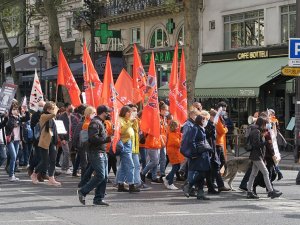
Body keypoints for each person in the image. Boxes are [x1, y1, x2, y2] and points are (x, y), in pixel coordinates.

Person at [77, 105, 112, 206]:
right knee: (101, 175)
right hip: (96, 152)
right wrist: (107, 139)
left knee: (104, 176)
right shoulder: (95, 123)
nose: (108, 114)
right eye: (107, 112)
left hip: (102, 151)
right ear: (103, 112)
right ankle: (83, 191)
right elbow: (93, 138)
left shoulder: (100, 122)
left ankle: (98, 198)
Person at [246, 117, 282, 199]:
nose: (265, 126)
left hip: (256, 155)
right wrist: (266, 141)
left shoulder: (256, 130)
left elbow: (257, 142)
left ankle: (249, 191)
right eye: (264, 124)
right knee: (265, 172)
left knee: (253, 174)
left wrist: (263, 136)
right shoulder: (256, 131)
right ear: (261, 124)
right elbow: (256, 144)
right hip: (257, 155)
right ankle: (270, 191)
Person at [30, 102, 61, 186]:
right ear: (47, 109)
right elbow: (53, 114)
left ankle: (51, 178)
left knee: (53, 160)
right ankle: (34, 174)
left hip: (52, 141)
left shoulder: (53, 117)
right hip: (44, 141)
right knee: (45, 161)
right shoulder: (43, 116)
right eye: (51, 108)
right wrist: (55, 109)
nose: (53, 110)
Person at [184, 113, 213, 200]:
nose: (205, 121)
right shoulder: (195, 128)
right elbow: (191, 141)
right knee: (201, 173)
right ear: (200, 120)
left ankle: (200, 193)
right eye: (204, 120)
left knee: (203, 173)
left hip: (203, 154)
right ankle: (189, 185)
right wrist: (194, 153)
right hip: (198, 155)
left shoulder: (201, 128)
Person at [117, 105, 140, 193]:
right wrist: (130, 122)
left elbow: (135, 130)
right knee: (130, 165)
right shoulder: (120, 120)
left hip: (129, 143)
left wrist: (134, 122)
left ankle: (120, 184)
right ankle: (131, 184)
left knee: (123, 166)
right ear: (124, 112)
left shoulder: (127, 120)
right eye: (129, 112)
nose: (131, 113)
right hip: (124, 143)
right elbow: (122, 131)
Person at [6, 103, 30, 181]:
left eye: (16, 109)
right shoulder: (9, 118)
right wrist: (16, 118)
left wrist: (26, 111)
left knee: (15, 157)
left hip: (17, 140)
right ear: (10, 110)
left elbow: (27, 118)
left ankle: (11, 173)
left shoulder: (18, 118)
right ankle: (11, 174)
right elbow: (11, 125)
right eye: (13, 109)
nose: (16, 111)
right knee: (13, 156)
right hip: (10, 140)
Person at [163, 120, 184, 190]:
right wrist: (181, 140)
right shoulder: (171, 134)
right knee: (175, 167)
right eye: (178, 126)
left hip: (174, 151)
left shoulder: (175, 133)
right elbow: (177, 143)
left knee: (177, 167)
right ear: (175, 126)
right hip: (173, 152)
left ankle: (167, 178)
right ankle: (170, 182)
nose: (179, 127)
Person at [58, 103, 78, 175]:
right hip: (64, 138)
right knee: (66, 152)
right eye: (70, 106)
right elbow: (59, 128)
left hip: (71, 138)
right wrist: (62, 138)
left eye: (72, 106)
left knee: (67, 152)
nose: (71, 108)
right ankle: (66, 168)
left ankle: (64, 167)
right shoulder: (61, 117)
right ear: (66, 108)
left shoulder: (74, 117)